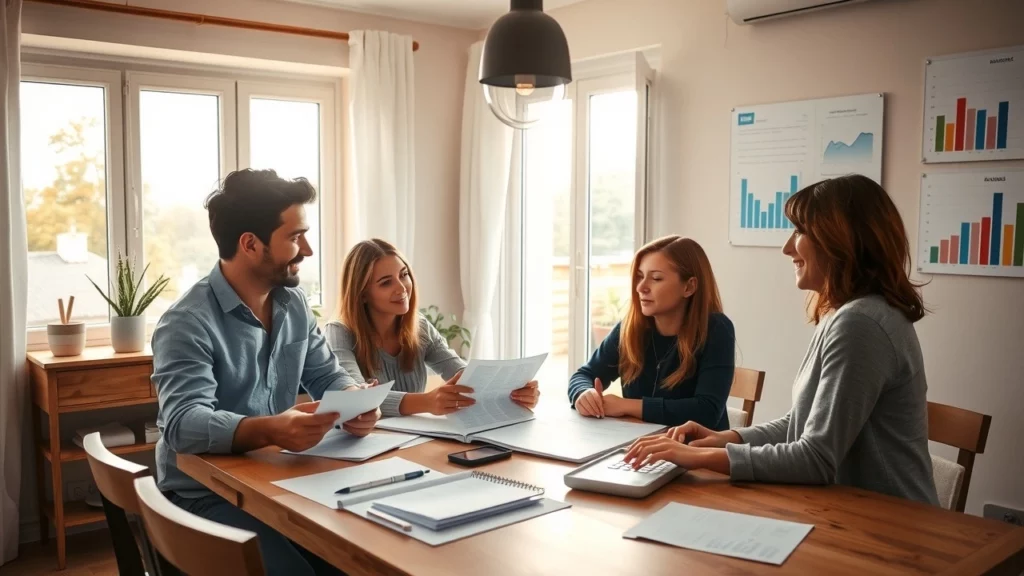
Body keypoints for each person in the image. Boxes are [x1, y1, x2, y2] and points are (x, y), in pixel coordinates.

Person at [625, 175, 940, 506]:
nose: (787, 247)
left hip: (892, 523)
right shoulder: (845, 314)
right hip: (846, 509)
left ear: (840, 241)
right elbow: (800, 424)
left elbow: (815, 458)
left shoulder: (860, 324)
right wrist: (724, 439)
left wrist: (698, 458)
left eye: (800, 232)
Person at [152, 169, 378, 576]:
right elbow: (183, 426)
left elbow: (326, 375)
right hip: (203, 495)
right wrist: (271, 429)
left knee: (358, 558)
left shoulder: (293, 303)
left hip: (274, 485)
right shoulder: (186, 322)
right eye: (295, 237)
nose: (307, 249)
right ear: (250, 244)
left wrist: (354, 400)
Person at [325, 239, 540, 417]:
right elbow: (354, 399)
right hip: (359, 447)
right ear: (362, 294)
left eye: (404, 274)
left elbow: (459, 372)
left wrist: (508, 389)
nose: (402, 288)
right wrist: (426, 402)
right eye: (385, 282)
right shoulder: (339, 333)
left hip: (411, 440)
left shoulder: (419, 326)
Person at [568, 235, 736, 428]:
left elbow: (706, 411)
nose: (640, 287)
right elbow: (583, 375)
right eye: (640, 276)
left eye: (656, 278)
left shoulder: (717, 329)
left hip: (696, 452)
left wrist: (626, 406)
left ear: (689, 286)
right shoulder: (631, 327)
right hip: (640, 448)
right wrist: (583, 393)